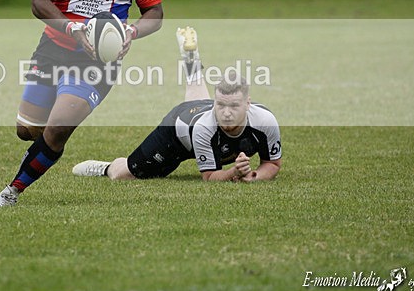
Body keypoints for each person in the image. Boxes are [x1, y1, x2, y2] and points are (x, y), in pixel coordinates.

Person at [0, 0, 163, 207]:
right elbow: (39, 2)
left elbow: (155, 14)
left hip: (99, 61)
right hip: (53, 49)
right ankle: (39, 150)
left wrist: (131, 31)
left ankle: (13, 190)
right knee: (27, 130)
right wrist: (73, 28)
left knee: (57, 130)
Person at [72, 27, 282, 182]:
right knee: (128, 174)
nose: (226, 113)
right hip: (178, 132)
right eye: (220, 105)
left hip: (198, 115)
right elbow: (209, 177)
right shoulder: (205, 127)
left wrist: (253, 177)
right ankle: (107, 167)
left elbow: (272, 163)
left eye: (234, 107)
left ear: (248, 104)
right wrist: (234, 173)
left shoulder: (265, 122)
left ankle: (191, 59)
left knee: (197, 104)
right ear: (215, 103)